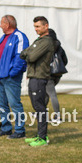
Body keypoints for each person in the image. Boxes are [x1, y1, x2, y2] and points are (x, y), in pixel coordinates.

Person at [0, 14, 30, 139]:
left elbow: (21, 56)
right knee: (1, 104)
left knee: (14, 103)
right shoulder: (3, 37)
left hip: (10, 77)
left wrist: (12, 73)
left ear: (8, 24)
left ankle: (20, 130)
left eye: (1, 23)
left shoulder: (19, 36)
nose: (0, 26)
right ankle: (6, 128)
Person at [19, 16, 57, 147]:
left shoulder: (47, 41)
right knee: (37, 107)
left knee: (40, 108)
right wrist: (28, 54)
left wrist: (28, 54)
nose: (36, 29)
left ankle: (42, 137)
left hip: (40, 78)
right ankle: (39, 135)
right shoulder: (38, 40)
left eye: (38, 26)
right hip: (33, 77)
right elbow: (23, 53)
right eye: (35, 26)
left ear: (46, 26)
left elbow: (32, 56)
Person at [45, 28, 67, 125]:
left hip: (48, 73)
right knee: (47, 93)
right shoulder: (59, 46)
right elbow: (65, 60)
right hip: (58, 74)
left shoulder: (46, 46)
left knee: (51, 94)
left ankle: (57, 116)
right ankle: (40, 112)